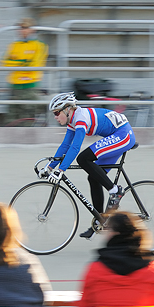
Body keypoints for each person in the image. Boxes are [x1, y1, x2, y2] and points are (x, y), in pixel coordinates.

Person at [40, 91, 135, 239]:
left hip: (123, 135)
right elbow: (65, 145)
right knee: (93, 178)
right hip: (115, 135)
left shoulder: (80, 118)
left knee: (83, 158)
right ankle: (100, 219)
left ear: (67, 109)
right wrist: (50, 167)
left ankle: (115, 191)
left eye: (57, 113)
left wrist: (61, 170)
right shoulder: (72, 121)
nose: (55, 117)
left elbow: (75, 147)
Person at [1, 18, 48, 122]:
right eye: (21, 28)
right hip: (14, 85)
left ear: (32, 29)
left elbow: (35, 65)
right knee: (11, 118)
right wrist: (24, 61)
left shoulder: (39, 45)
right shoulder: (14, 45)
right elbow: (5, 62)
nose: (22, 30)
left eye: (25, 28)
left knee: (27, 118)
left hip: (29, 86)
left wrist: (16, 61)